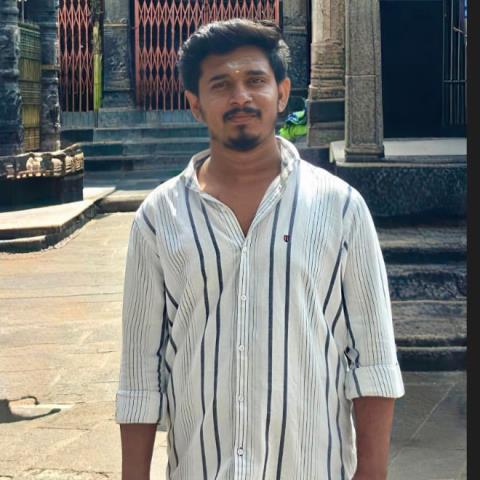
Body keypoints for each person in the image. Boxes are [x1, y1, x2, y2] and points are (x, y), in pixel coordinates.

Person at [115, 18, 405, 480]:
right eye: (221, 84)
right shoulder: (158, 217)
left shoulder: (340, 208)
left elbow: (372, 357)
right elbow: (140, 370)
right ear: (195, 104)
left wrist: (371, 472)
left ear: (282, 93)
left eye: (255, 80)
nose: (241, 97)